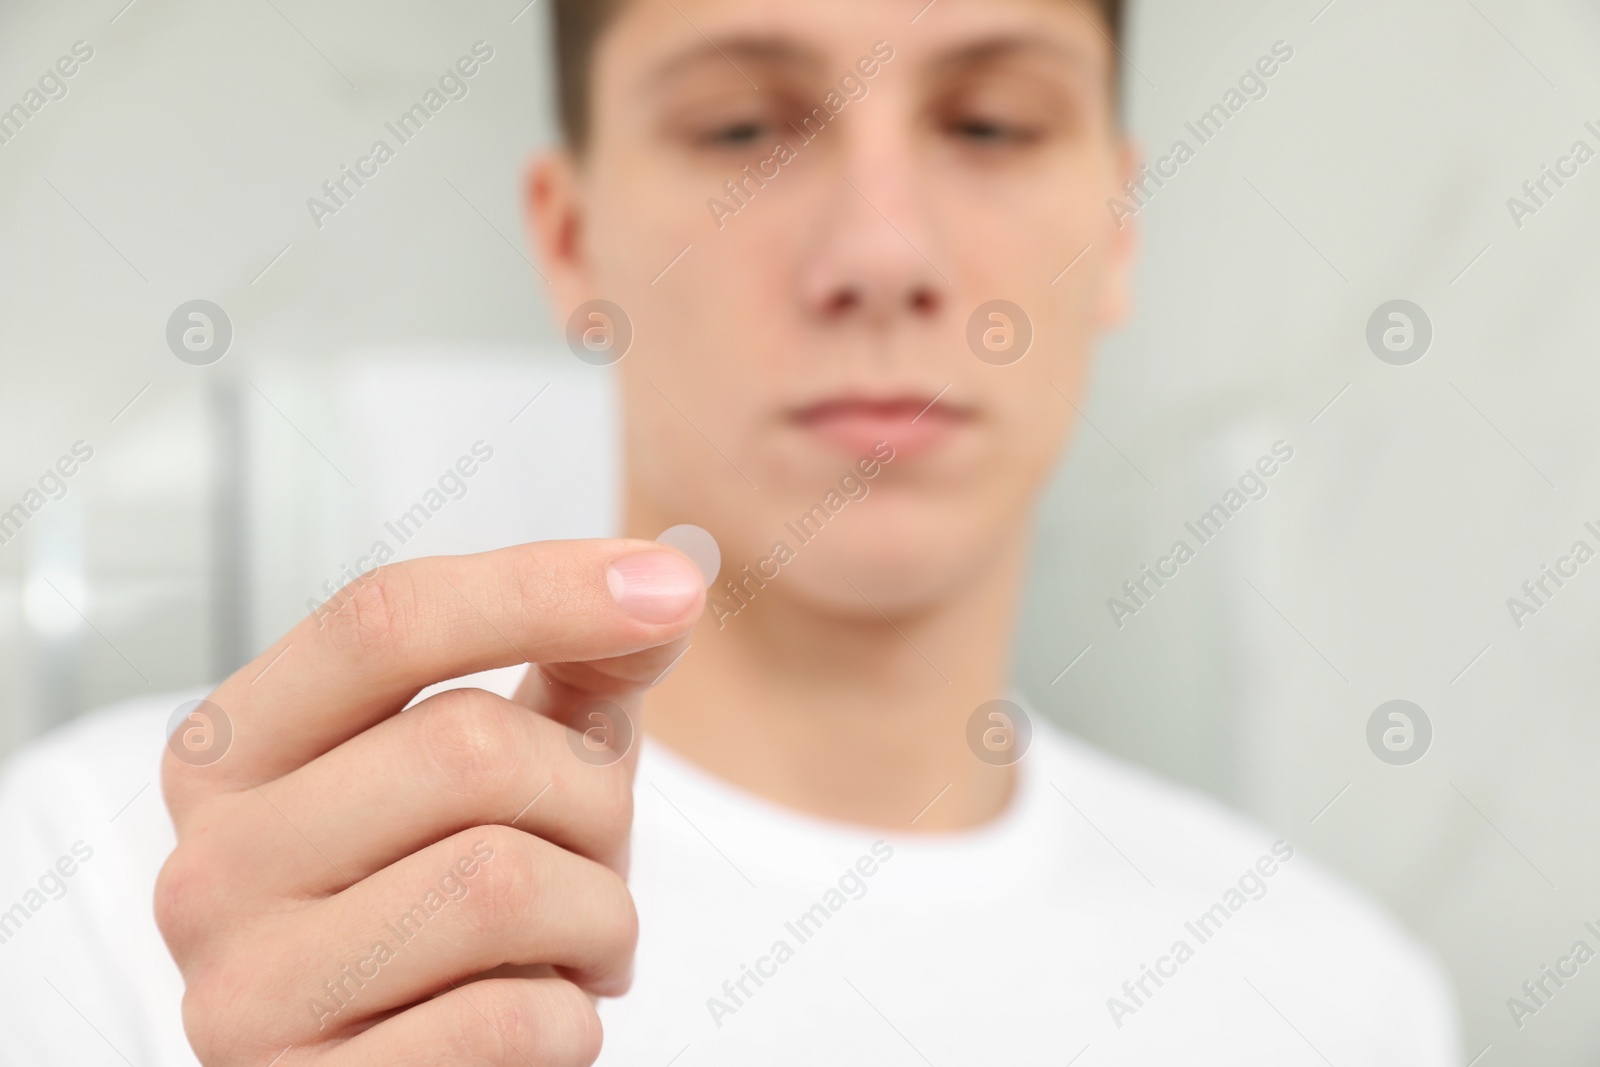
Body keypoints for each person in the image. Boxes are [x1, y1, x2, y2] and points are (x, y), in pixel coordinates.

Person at [0, 0, 1460, 1063]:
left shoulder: (1338, 998)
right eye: (747, 127)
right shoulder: (114, 877)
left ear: (1120, 231)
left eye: (992, 123)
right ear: (572, 240)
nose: (881, 256)